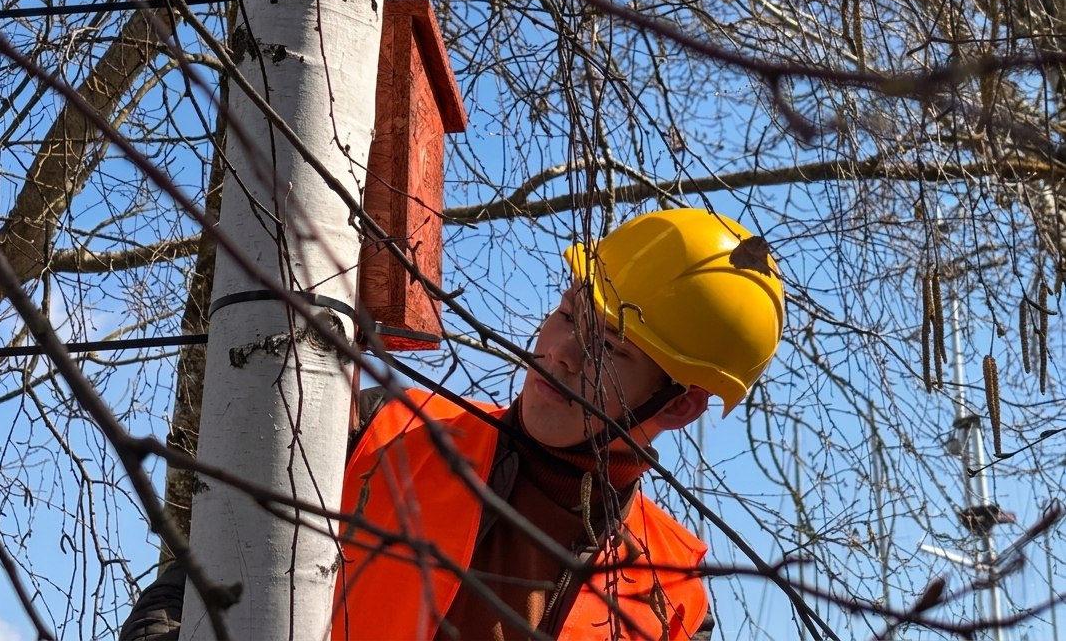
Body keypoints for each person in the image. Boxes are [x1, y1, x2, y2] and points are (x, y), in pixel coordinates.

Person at [119, 208, 785, 640]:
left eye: (609, 348)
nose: (558, 351)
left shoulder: (673, 596)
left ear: (679, 404)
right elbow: (191, 595)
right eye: (565, 314)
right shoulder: (379, 433)